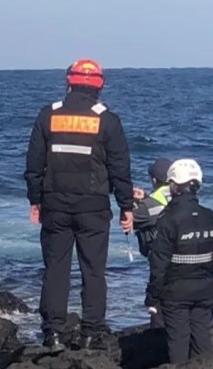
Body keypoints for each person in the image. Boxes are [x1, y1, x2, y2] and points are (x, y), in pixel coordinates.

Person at [24, 59, 135, 350]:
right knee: (93, 270)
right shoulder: (108, 120)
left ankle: (53, 333)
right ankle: (91, 333)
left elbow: (34, 163)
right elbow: (120, 168)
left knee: (55, 269)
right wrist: (126, 206)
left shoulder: (49, 115)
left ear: (69, 82)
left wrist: (35, 199)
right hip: (94, 207)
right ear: (100, 86)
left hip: (55, 205)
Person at [144, 159, 213, 365]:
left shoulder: (168, 219)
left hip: (176, 293)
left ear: (173, 186)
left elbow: (159, 264)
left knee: (178, 342)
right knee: (202, 340)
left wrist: (152, 298)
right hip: (205, 291)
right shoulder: (211, 217)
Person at [133, 158, 173, 328]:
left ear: (154, 180)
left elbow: (131, 219)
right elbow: (162, 207)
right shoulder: (179, 194)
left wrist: (132, 203)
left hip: (160, 262)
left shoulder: (148, 205)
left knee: (159, 307)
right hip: (183, 259)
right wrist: (146, 198)